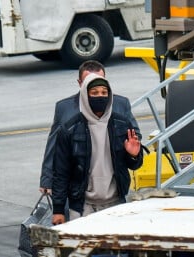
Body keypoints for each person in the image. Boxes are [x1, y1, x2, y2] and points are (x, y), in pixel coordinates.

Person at [51, 73, 143, 225]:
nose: (100, 96)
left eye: (104, 92)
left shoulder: (122, 124)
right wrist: (58, 210)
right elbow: (60, 172)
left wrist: (134, 155)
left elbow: (135, 165)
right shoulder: (69, 129)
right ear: (85, 96)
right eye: (94, 93)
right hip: (82, 207)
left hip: (116, 204)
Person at [39, 60, 138, 194]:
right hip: (77, 181)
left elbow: (134, 135)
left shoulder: (120, 104)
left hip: (111, 182)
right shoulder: (65, 108)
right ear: (80, 83)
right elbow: (54, 145)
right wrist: (47, 179)